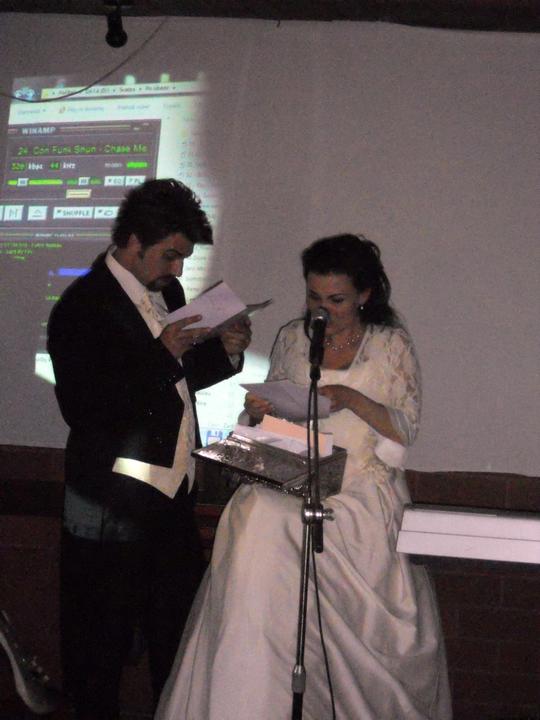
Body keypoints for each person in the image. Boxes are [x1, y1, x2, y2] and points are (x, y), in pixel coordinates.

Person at [156, 234, 452, 720]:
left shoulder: (389, 343)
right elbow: (268, 423)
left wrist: (350, 398)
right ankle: (250, 696)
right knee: (256, 516)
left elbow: (406, 428)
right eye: (314, 297)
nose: (323, 310)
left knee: (285, 527)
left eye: (336, 300)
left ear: (364, 295)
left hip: (358, 485)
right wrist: (259, 411)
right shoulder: (293, 337)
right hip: (294, 472)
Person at [47, 178, 251, 720]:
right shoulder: (82, 305)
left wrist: (225, 354)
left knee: (176, 644)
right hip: (110, 507)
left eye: (183, 258)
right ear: (134, 242)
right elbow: (84, 408)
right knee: (100, 652)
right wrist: (162, 354)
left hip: (172, 501)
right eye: (171, 255)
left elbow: (171, 387)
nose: (178, 270)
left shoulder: (168, 296)